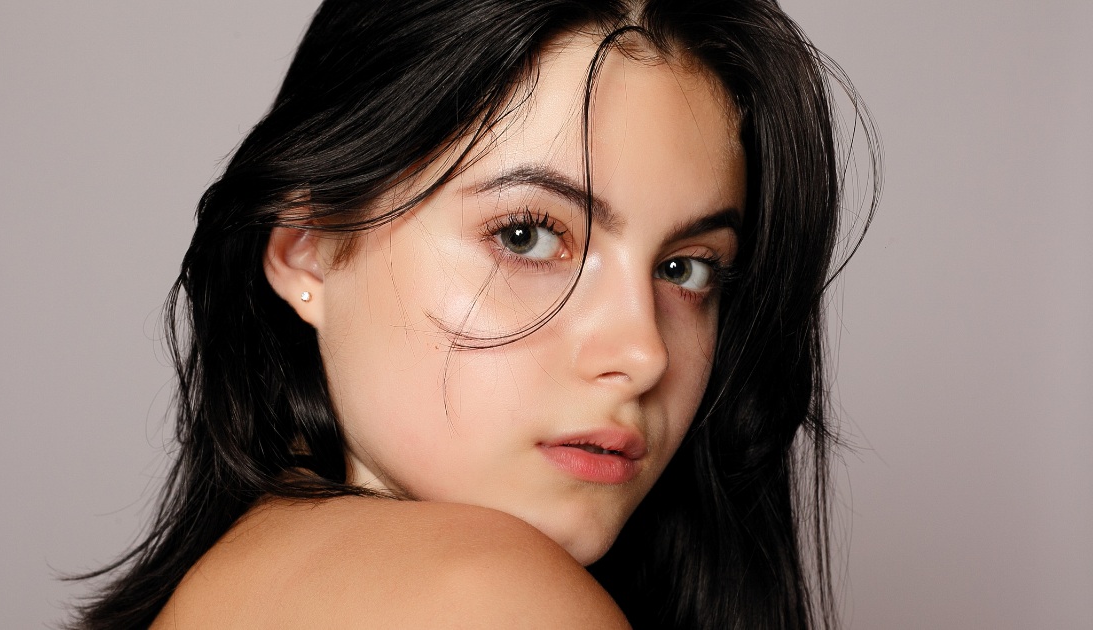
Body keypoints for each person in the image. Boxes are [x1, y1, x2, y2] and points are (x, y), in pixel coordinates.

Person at [72, 0, 877, 627]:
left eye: (685, 268)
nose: (643, 350)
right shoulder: (486, 595)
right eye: (527, 236)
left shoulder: (243, 575)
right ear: (309, 248)